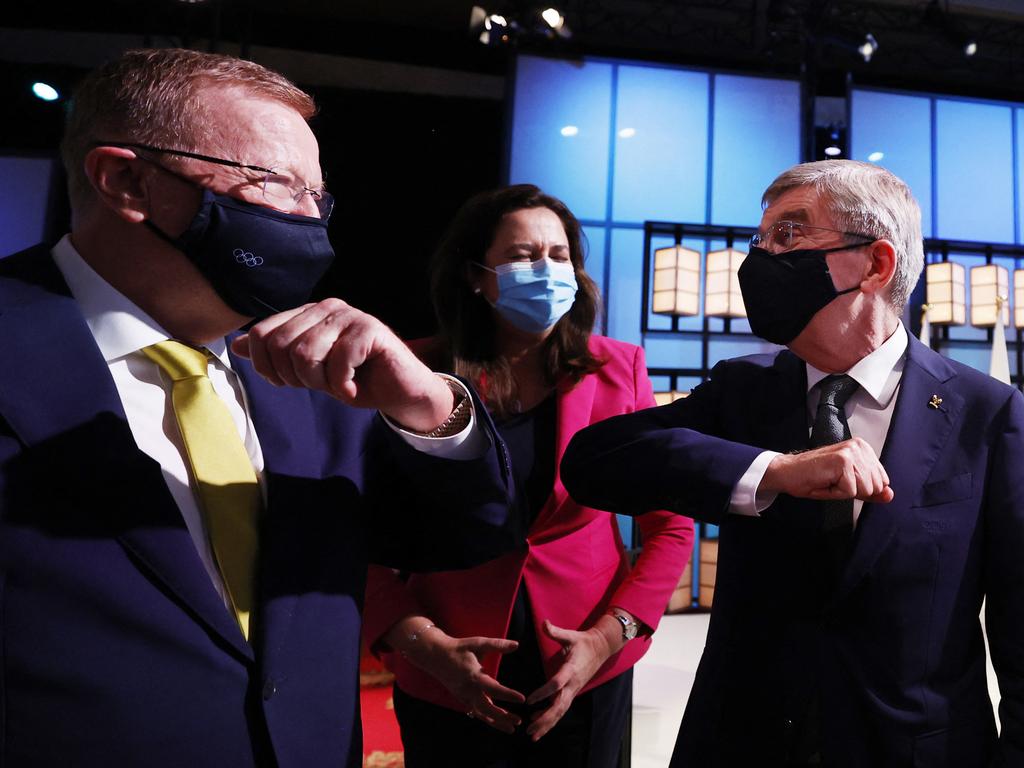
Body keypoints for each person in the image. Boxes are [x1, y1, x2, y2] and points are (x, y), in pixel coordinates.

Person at [0, 48, 517, 767]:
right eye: (275, 184)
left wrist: (432, 410)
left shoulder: (321, 369)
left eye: (318, 197)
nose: (310, 223)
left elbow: (462, 539)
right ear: (124, 179)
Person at [561, 160, 1024, 767]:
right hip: (742, 744)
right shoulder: (741, 390)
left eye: (788, 236)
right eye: (761, 239)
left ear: (876, 266)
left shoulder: (986, 412)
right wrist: (771, 471)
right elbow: (594, 461)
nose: (758, 259)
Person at [362, 184, 694, 768]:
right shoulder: (408, 373)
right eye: (521, 256)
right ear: (475, 275)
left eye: (559, 255)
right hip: (445, 667)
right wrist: (420, 641)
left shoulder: (620, 371)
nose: (545, 270)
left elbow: (670, 524)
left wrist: (610, 636)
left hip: (585, 667)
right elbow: (353, 534)